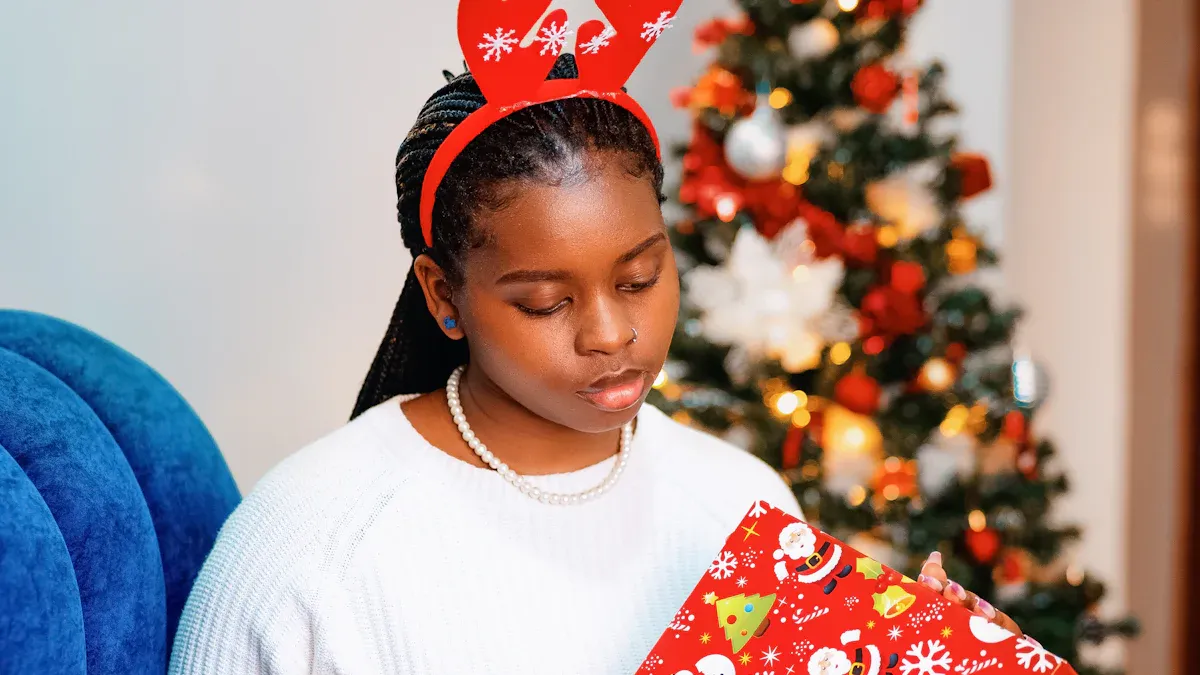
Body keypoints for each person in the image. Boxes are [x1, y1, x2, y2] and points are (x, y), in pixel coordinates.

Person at [167, 55, 1020, 675]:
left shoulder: (743, 500)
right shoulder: (308, 550)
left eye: (641, 277)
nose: (612, 333)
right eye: (546, 301)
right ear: (443, 295)